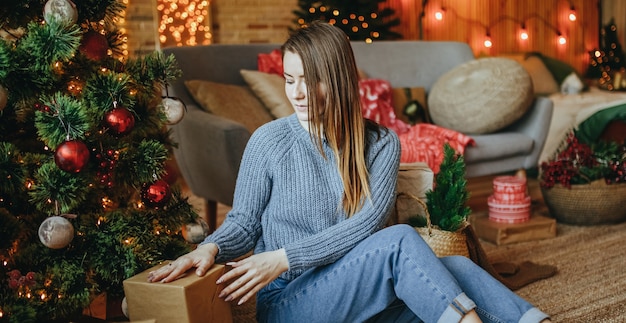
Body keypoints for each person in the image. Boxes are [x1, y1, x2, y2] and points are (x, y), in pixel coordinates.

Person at [147, 21, 551, 323]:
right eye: (290, 80)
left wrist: (285, 256)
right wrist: (211, 248)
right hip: (290, 303)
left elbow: (367, 225)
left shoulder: (380, 143)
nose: (297, 94)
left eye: (310, 80)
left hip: (356, 292)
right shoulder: (269, 140)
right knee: (401, 242)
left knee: (458, 268)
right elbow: (244, 223)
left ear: (338, 79)